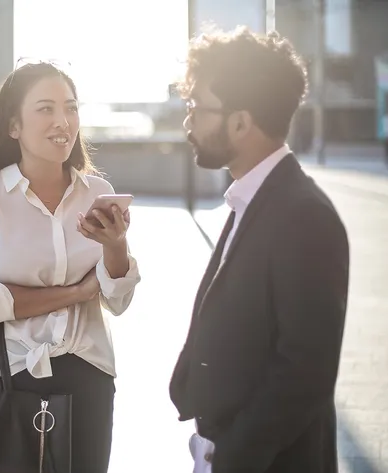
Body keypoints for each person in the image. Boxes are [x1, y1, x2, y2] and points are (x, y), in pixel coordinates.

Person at [169, 27, 350, 473]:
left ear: (241, 122)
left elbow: (305, 370)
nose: (188, 122)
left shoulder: (304, 216)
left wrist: (233, 455)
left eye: (196, 107)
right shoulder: (253, 197)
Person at [0, 60, 141, 473]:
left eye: (71, 108)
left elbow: (117, 300)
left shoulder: (98, 192)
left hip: (88, 375)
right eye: (46, 109)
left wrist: (116, 245)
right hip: (6, 378)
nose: (63, 121)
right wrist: (75, 293)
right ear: (14, 126)